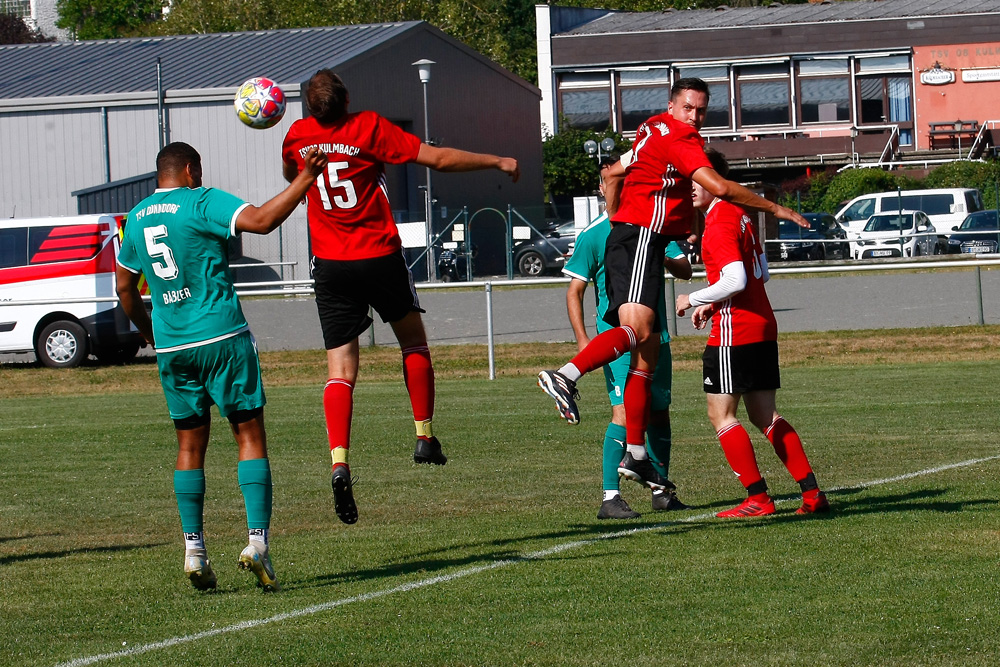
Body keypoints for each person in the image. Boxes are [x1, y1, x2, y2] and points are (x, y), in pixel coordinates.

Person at [538, 78, 808, 496]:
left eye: (701, 110)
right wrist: (777, 208)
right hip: (642, 237)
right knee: (641, 334)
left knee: (645, 359)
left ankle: (636, 455)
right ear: (672, 105)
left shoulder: (650, 128)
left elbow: (611, 172)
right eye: (688, 108)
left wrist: (616, 221)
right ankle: (567, 375)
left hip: (635, 237)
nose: (695, 117)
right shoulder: (683, 140)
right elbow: (717, 186)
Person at [281, 69, 519, 526]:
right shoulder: (368, 127)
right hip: (378, 255)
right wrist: (497, 161)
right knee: (412, 340)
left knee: (340, 371)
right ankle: (424, 433)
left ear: (310, 108)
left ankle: (339, 461)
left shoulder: (296, 135)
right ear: (347, 98)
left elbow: (293, 176)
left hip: (330, 264)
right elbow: (440, 160)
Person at [116, 141, 329, 591]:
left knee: (189, 447)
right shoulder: (202, 199)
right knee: (249, 435)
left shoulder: (134, 218)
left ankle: (194, 550)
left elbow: (124, 289)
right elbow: (263, 221)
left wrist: (150, 331)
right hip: (221, 336)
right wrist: (304, 179)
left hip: (174, 347)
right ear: (191, 170)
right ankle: (258, 543)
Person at [675, 148, 830, 517]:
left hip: (736, 332)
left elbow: (737, 278)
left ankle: (757, 497)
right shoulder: (741, 216)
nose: (691, 187)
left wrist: (692, 297)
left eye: (698, 179)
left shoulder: (718, 223)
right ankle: (811, 494)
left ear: (718, 182)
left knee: (721, 415)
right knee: (766, 416)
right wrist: (712, 305)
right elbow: (761, 273)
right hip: (761, 323)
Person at [564, 156, 692, 519]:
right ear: (601, 188)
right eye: (608, 181)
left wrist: (662, 254)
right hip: (616, 342)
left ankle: (661, 488)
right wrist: (584, 342)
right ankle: (609, 498)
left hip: (657, 338)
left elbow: (684, 269)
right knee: (621, 414)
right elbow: (575, 291)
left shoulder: (651, 226)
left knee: (659, 413)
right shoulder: (594, 235)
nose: (615, 185)